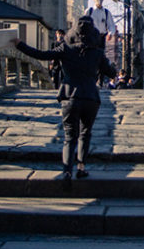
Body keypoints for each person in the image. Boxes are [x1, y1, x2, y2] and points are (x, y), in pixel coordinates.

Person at [15, 16, 116, 185]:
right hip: (91, 97)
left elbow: (40, 54)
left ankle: (67, 172)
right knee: (85, 133)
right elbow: (111, 73)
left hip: (70, 97)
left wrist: (19, 44)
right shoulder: (97, 53)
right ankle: (81, 168)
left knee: (70, 136)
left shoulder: (65, 49)